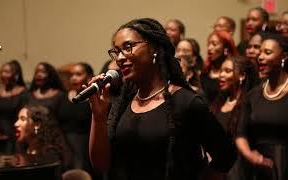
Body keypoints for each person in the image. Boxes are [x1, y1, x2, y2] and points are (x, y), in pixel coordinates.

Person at [88, 17, 236, 180]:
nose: (120, 58)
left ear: (155, 49)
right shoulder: (123, 102)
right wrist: (98, 115)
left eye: (128, 47)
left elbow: (225, 156)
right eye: (116, 51)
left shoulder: (186, 102)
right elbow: (100, 164)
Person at [236, 33, 288, 180]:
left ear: (284, 56)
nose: (260, 57)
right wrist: (251, 155)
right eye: (260, 53)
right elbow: (241, 133)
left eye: (268, 52)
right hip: (260, 171)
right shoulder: (253, 95)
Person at [210, 56, 260, 180]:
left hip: (239, 170)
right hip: (216, 170)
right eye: (221, 71)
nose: (221, 75)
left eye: (227, 71)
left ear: (242, 76)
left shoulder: (250, 104)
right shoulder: (218, 103)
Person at [57, 62, 99, 178]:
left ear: (89, 77)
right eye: (72, 75)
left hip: (84, 146)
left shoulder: (94, 99)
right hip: (64, 146)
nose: (73, 78)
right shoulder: (62, 97)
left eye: (78, 74)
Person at [14, 104, 72, 172]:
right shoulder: (21, 147)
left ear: (37, 125)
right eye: (18, 119)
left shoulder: (51, 153)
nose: (16, 124)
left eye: (23, 119)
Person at [0, 59, 28, 153]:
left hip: (14, 139)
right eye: (1, 72)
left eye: (7, 72)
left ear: (16, 75)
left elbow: (24, 117)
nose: (3, 74)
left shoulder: (24, 93)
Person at [201, 30, 238, 104]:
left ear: (226, 48)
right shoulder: (205, 70)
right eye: (208, 44)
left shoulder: (235, 70)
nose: (209, 48)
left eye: (214, 44)